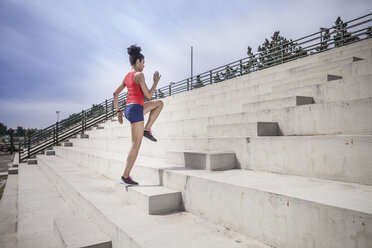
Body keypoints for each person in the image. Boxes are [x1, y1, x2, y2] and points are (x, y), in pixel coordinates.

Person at [113, 44, 163, 185]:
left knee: (159, 103)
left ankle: (147, 129)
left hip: (130, 108)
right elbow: (148, 95)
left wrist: (118, 112)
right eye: (143, 62)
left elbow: (115, 93)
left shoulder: (127, 76)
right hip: (136, 109)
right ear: (138, 62)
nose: (144, 65)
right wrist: (155, 82)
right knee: (136, 144)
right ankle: (125, 176)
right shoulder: (139, 75)